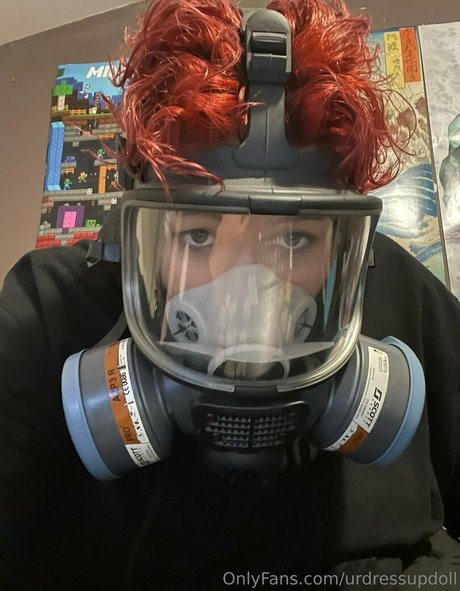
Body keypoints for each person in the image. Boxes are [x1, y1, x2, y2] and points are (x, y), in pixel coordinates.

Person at [1, 1, 460, 590]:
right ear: (133, 240)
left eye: (294, 239)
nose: (247, 293)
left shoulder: (397, 285)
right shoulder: (46, 315)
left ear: (348, 246)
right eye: (197, 236)